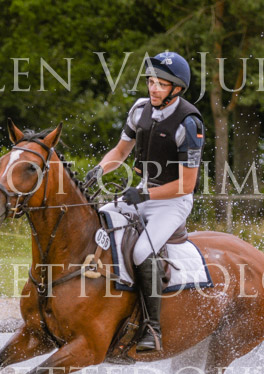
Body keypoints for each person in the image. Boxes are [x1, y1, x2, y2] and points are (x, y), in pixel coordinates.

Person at [83, 51, 205, 352]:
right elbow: (120, 152)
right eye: (151, 82)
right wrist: (99, 169)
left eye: (161, 84)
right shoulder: (140, 110)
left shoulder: (189, 123)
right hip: (143, 191)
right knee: (100, 221)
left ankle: (152, 328)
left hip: (173, 201)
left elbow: (187, 184)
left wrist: (145, 195)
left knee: (141, 251)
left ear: (177, 88)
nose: (153, 88)